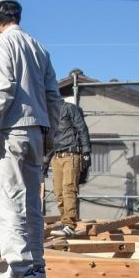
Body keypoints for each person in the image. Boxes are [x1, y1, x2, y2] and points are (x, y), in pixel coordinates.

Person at [0, 0, 62, 278]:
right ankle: (36, 266)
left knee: (8, 200)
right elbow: (53, 96)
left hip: (10, 131)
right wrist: (50, 132)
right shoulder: (38, 47)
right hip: (37, 130)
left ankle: (19, 267)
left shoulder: (1, 43)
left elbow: (1, 88)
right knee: (31, 203)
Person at [45, 101, 92, 237]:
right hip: (56, 156)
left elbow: (82, 128)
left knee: (68, 189)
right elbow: (49, 140)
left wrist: (86, 152)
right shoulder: (49, 114)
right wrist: (45, 163)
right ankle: (65, 223)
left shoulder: (69, 108)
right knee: (58, 193)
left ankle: (70, 225)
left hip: (71, 154)